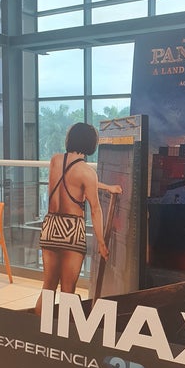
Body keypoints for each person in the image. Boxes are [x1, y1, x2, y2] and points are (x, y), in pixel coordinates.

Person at [34, 122, 122, 315]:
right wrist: (101, 242)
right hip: (72, 231)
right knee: (68, 292)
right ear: (91, 143)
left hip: (50, 226)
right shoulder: (87, 173)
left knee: (48, 288)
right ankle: (63, 331)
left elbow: (71, 179)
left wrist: (106, 187)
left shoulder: (56, 160)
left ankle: (37, 328)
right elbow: (95, 209)